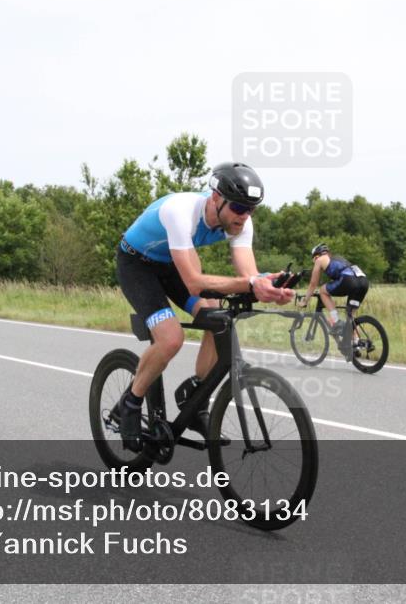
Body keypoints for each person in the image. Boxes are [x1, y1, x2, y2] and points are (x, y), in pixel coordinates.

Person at [113, 162, 294, 451]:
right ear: (215, 198)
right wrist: (251, 284)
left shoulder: (240, 222)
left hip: (170, 265)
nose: (244, 216)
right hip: (137, 266)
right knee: (171, 339)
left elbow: (248, 273)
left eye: (251, 209)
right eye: (238, 207)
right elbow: (195, 282)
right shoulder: (180, 212)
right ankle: (130, 403)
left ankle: (194, 399)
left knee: (217, 317)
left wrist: (267, 286)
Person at [299, 243, 369, 336]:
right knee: (350, 318)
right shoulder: (337, 258)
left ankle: (336, 322)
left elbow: (313, 283)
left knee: (323, 291)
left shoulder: (319, 259)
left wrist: (305, 300)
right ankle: (356, 344)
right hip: (363, 281)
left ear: (316, 256)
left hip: (349, 280)